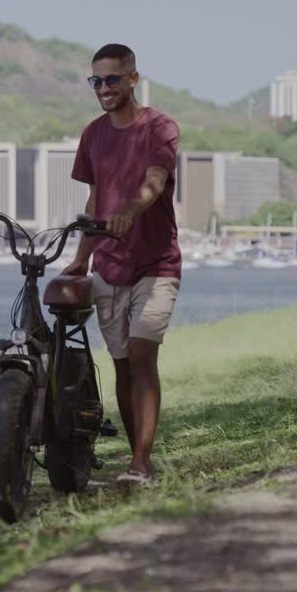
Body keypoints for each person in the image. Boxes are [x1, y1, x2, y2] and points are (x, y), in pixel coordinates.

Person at [63, 43, 182, 487]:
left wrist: (130, 212)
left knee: (142, 354)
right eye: (96, 81)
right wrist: (81, 257)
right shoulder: (93, 134)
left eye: (112, 79)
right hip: (108, 266)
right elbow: (94, 201)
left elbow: (155, 181)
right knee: (121, 364)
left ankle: (141, 464)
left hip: (156, 263)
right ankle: (138, 458)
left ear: (133, 78)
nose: (104, 88)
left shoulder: (160, 127)